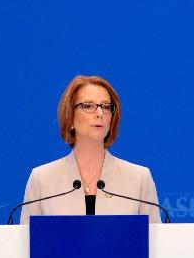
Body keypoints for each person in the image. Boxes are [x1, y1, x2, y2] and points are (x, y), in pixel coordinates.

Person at [19, 74, 161, 223]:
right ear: (70, 117)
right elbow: (27, 244)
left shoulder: (139, 179)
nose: (100, 113)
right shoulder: (42, 180)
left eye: (106, 106)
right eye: (88, 106)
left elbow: (155, 244)